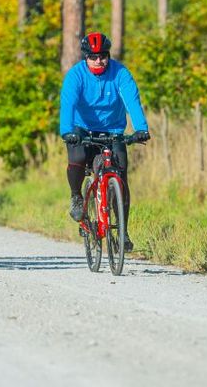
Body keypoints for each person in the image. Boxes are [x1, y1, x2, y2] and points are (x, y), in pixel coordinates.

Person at [59, 31, 151, 252]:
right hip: (82, 129)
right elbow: (68, 105)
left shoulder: (120, 73)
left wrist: (141, 129)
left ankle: (123, 233)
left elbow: (132, 101)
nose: (98, 60)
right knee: (79, 157)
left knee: (121, 176)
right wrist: (67, 131)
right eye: (93, 56)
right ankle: (76, 197)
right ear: (85, 57)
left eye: (103, 56)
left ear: (108, 55)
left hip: (113, 129)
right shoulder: (76, 76)